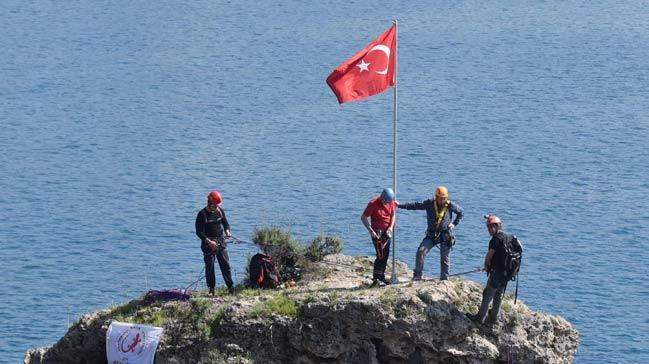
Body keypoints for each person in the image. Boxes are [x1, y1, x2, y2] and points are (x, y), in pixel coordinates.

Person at [397, 185, 463, 280]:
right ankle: (417, 276)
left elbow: (461, 212)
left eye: (444, 198)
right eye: (440, 198)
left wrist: (454, 224)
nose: (442, 200)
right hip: (432, 235)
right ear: (436, 197)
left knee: (445, 257)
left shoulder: (450, 205)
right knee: (421, 252)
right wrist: (400, 205)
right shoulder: (430, 203)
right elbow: (415, 205)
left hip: (445, 235)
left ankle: (444, 278)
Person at [467, 215, 510, 325]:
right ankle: (493, 318)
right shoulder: (507, 237)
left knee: (488, 294)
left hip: (496, 273)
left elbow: (489, 256)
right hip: (506, 274)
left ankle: (480, 318)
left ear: (495, 226)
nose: (489, 230)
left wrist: (486, 266)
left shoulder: (495, 240)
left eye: (490, 227)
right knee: (498, 295)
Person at [195, 191, 235, 295]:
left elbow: (225, 223)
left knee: (225, 265)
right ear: (209, 203)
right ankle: (211, 290)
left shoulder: (220, 211)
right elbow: (199, 232)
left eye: (218, 205)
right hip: (208, 244)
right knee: (210, 267)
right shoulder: (202, 214)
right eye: (215, 205)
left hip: (220, 242)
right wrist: (209, 242)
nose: (217, 207)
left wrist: (227, 231)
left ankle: (231, 288)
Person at [361, 188, 397, 286]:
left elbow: (393, 215)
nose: (386, 203)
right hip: (377, 232)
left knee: (386, 255)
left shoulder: (391, 202)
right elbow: (363, 217)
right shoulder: (373, 203)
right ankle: (376, 278)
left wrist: (390, 227)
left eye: (388, 202)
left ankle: (382, 277)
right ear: (381, 197)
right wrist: (370, 230)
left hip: (387, 231)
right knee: (380, 255)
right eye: (385, 201)